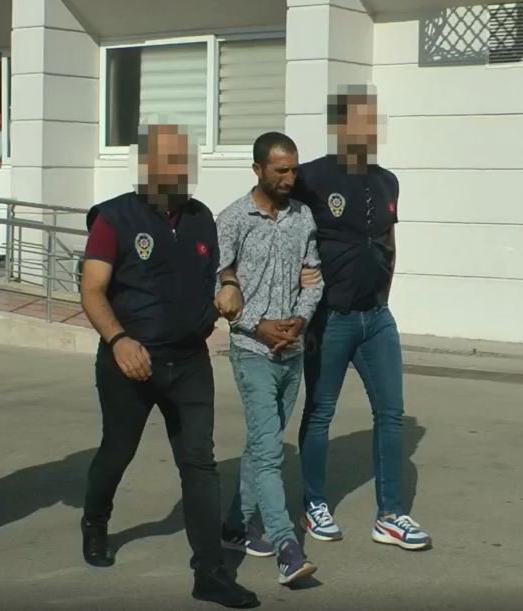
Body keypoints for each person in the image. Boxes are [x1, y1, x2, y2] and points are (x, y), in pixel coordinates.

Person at [78, 123, 258, 609]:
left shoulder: (201, 218)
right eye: (170, 160)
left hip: (189, 362)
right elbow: (92, 289)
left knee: (199, 462)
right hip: (130, 363)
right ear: (147, 165)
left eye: (184, 160)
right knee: (117, 451)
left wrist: (230, 287)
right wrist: (118, 340)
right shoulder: (114, 218)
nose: (180, 170)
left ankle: (210, 573)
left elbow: (221, 268)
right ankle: (95, 520)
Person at [291, 85, 432, 550]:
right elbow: (279, 225)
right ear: (339, 126)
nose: (368, 129)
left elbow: (388, 239)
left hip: (377, 318)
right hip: (330, 318)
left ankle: (390, 515)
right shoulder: (310, 177)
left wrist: (384, 296)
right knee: (320, 414)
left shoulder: (388, 181)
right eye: (359, 120)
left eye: (373, 121)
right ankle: (314, 504)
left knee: (390, 414)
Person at [215, 132, 322, 585]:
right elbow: (216, 286)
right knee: (270, 451)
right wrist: (256, 324)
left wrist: (299, 320)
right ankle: (286, 547)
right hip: (252, 352)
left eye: (294, 170)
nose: (289, 178)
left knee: (263, 444)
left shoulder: (303, 218)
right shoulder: (232, 220)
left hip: (291, 351)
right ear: (258, 169)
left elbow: (313, 278)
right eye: (281, 170)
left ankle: (234, 526)